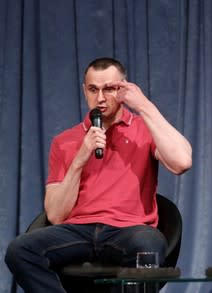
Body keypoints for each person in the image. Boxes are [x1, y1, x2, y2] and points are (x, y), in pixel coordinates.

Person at [5, 57, 192, 292]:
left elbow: (182, 162)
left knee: (148, 244)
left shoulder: (144, 130)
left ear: (123, 89)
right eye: (93, 89)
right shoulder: (64, 141)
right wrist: (80, 159)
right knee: (19, 250)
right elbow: (55, 215)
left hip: (129, 230)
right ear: (85, 91)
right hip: (78, 230)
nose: (100, 98)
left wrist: (144, 105)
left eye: (109, 89)